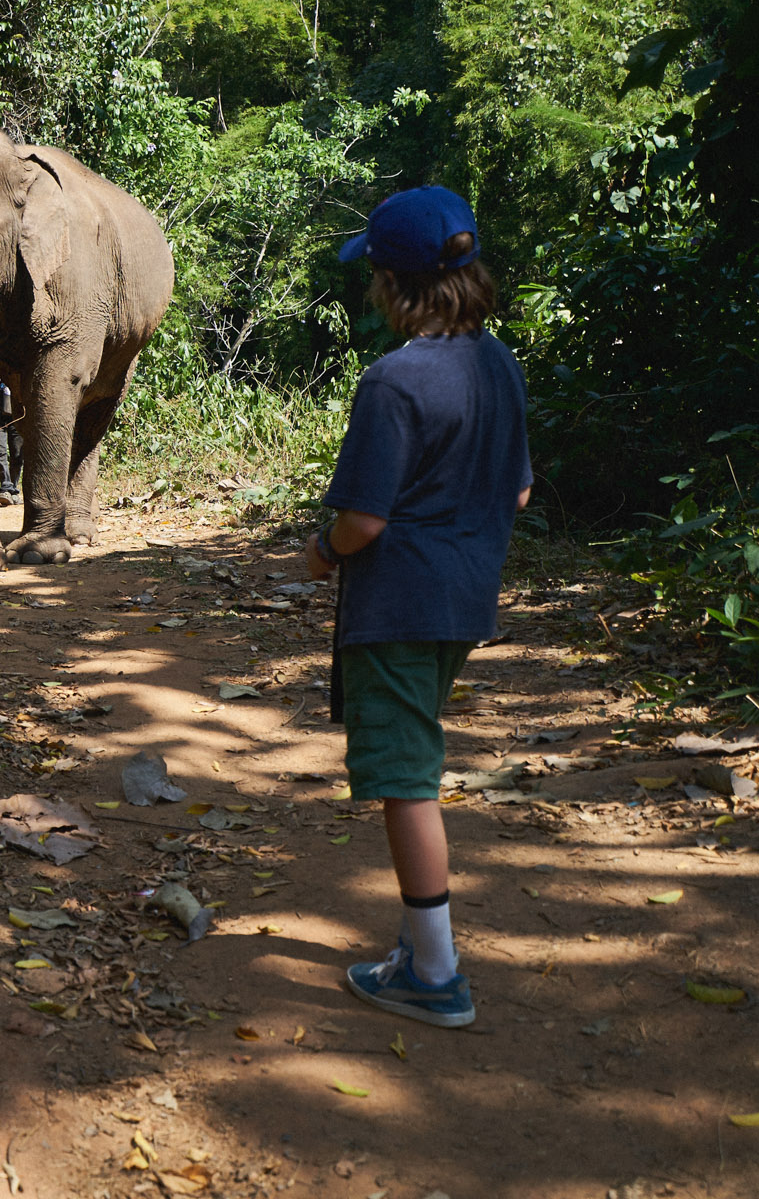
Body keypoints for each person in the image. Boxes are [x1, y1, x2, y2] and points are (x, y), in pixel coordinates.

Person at [304, 185, 533, 1029]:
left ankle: (435, 975)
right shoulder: (498, 364)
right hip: (467, 598)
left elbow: (364, 519)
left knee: (406, 780)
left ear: (394, 284)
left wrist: (323, 553)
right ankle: (415, 947)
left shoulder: (393, 380)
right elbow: (516, 492)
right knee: (416, 760)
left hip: (398, 601)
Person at [0, 379, 24, 504]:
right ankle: (5, 487)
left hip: (17, 416)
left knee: (17, 454)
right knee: (0, 451)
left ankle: (14, 489)